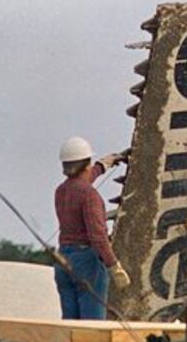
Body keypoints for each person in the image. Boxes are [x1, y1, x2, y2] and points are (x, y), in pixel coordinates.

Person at [54, 136, 131, 319]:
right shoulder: (89, 195)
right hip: (87, 262)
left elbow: (80, 180)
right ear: (86, 164)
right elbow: (98, 237)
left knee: (71, 325)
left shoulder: (61, 190)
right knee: (91, 326)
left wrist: (105, 164)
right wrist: (114, 266)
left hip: (63, 259)